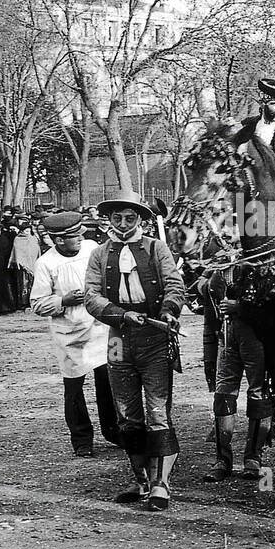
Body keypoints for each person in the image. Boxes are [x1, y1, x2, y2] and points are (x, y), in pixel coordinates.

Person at [84, 190, 186, 511]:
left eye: (130, 218)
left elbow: (175, 285)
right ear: (110, 220)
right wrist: (121, 314)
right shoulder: (100, 255)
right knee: (127, 412)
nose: (124, 223)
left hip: (154, 338)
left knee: (157, 411)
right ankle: (140, 479)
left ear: (140, 219)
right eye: (117, 218)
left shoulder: (157, 249)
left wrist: (169, 310)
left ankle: (161, 483)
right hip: (117, 339)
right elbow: (91, 297)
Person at [31, 212, 118, 456]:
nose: (80, 239)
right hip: (70, 335)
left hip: (100, 329)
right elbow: (37, 303)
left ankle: (114, 431)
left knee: (108, 382)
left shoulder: (92, 249)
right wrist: (63, 300)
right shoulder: (46, 263)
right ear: (58, 240)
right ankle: (81, 439)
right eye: (73, 237)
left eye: (81, 234)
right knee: (74, 388)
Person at [202, 261, 272, 482]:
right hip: (226, 335)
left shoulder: (264, 255)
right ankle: (223, 459)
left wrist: (241, 307)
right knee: (223, 396)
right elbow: (201, 289)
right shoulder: (219, 258)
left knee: (259, 393)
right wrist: (210, 281)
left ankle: (253, 457)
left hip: (257, 336)